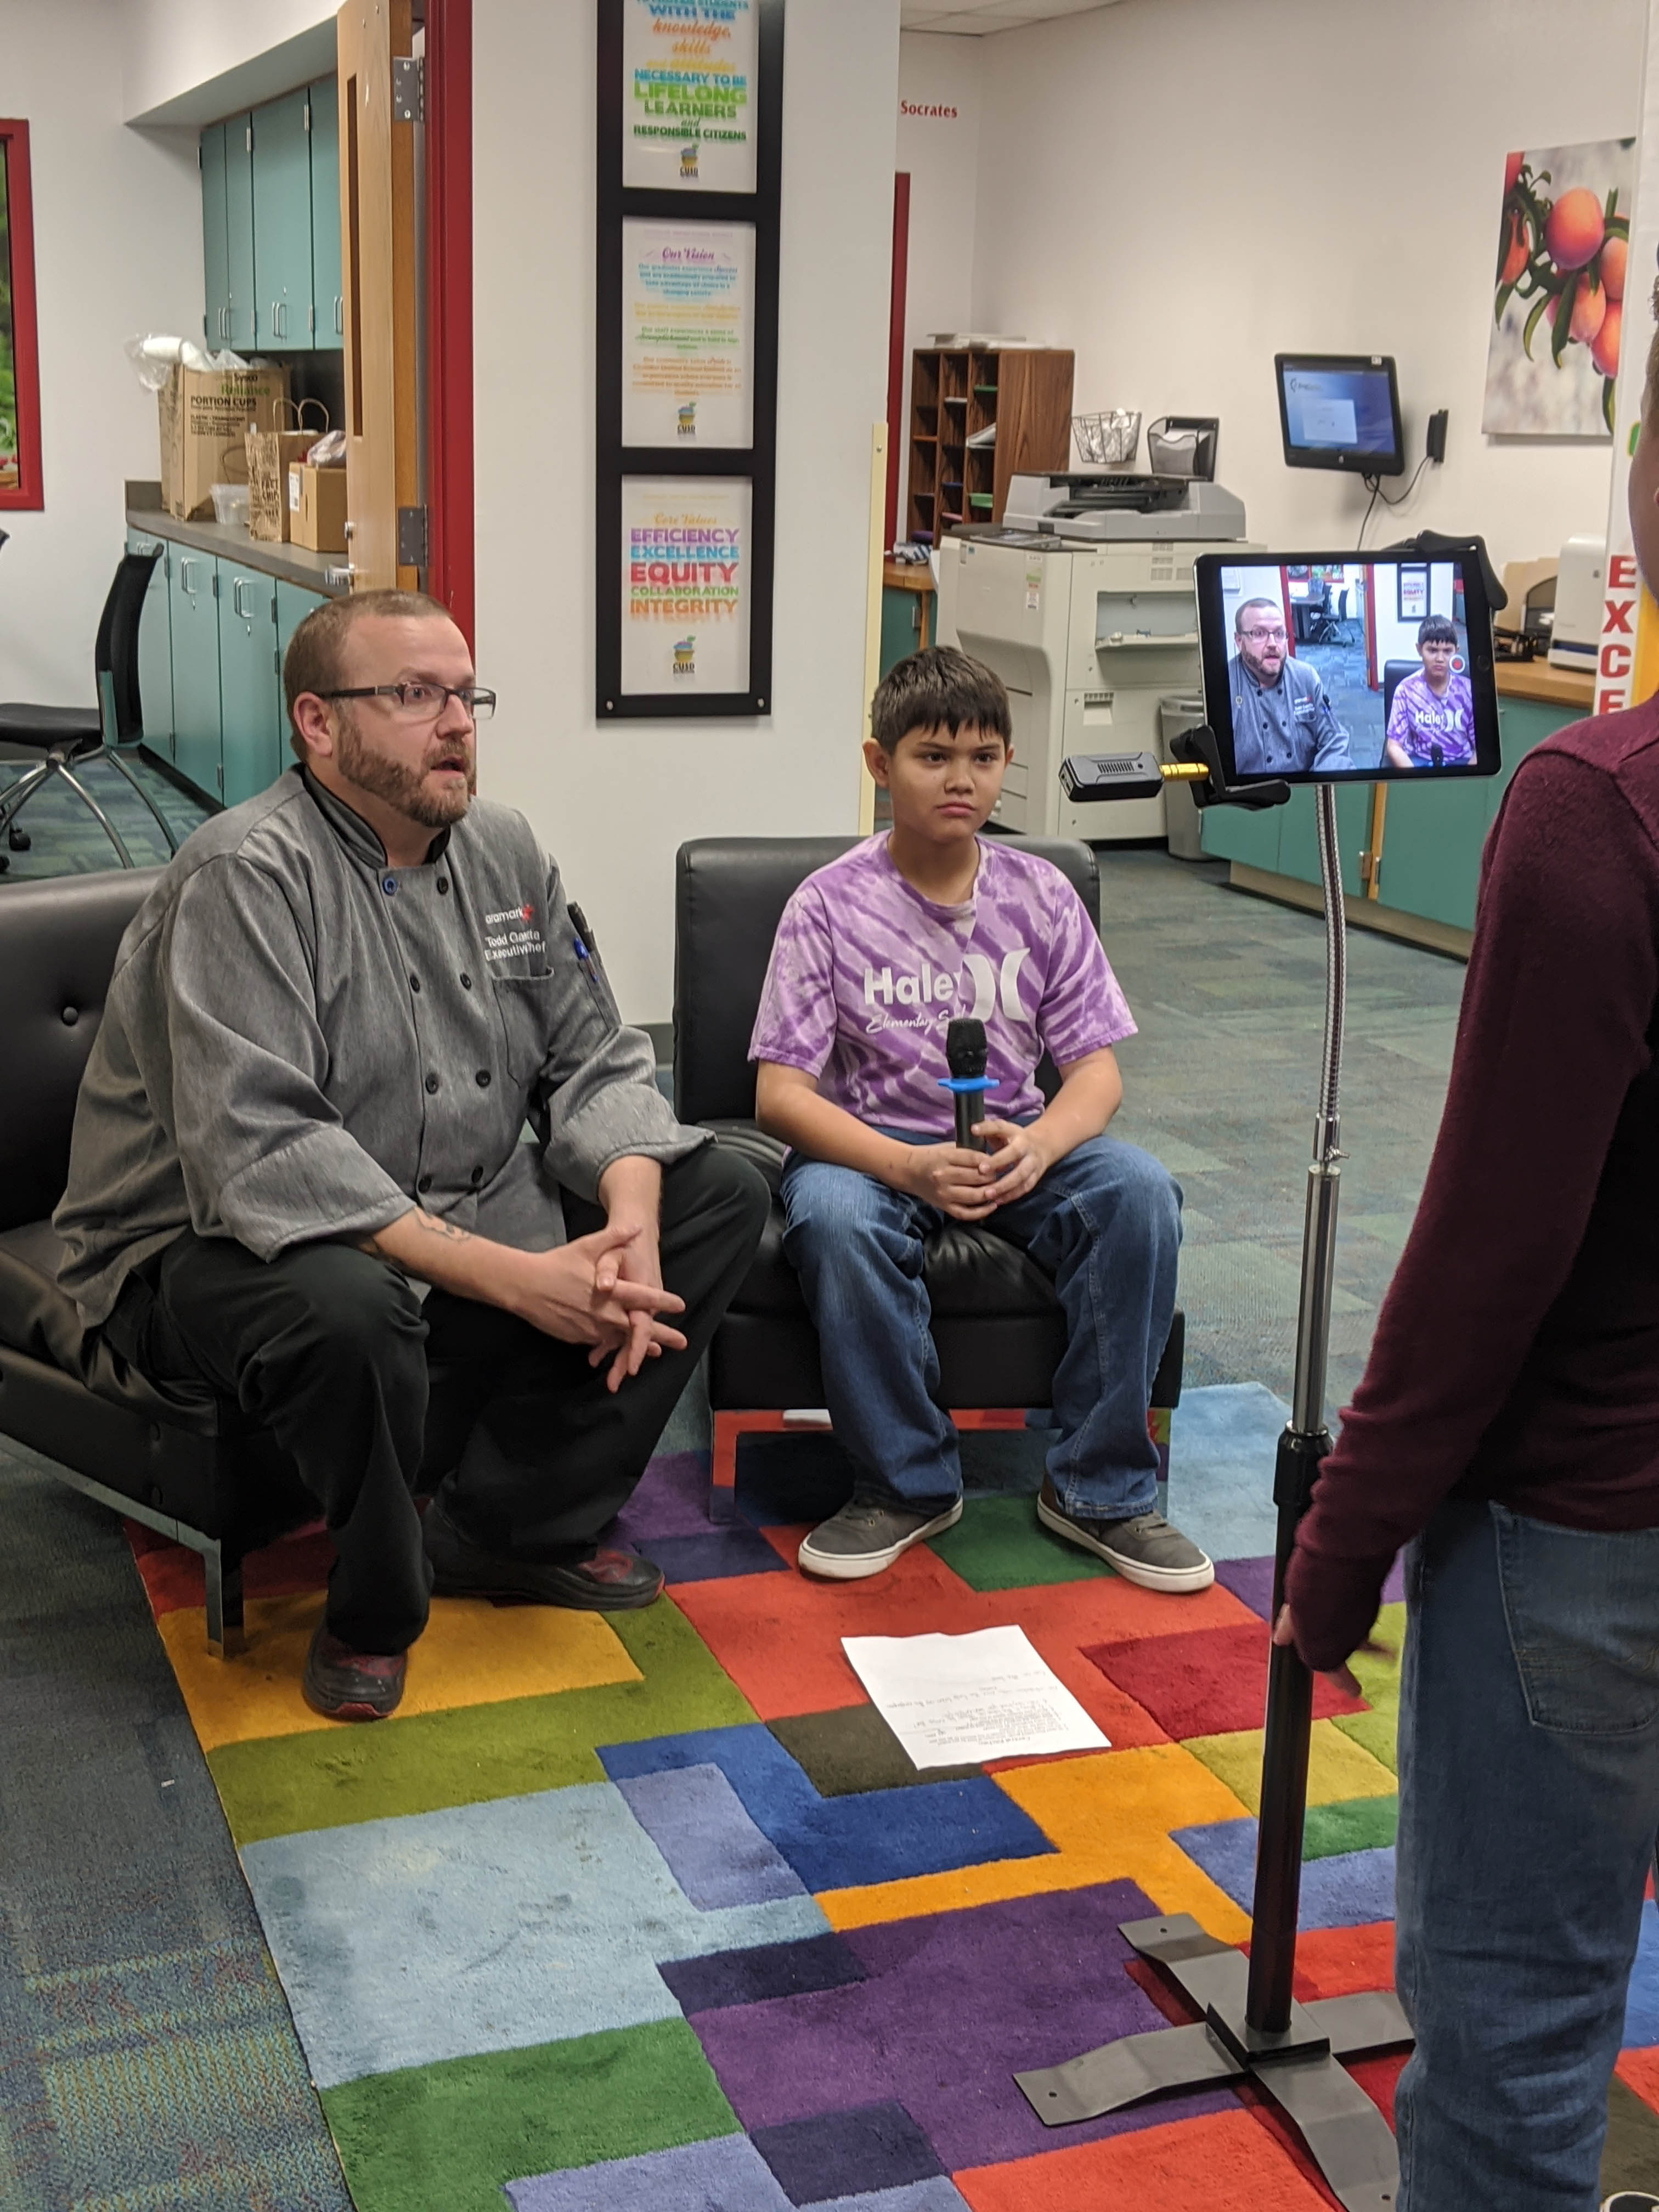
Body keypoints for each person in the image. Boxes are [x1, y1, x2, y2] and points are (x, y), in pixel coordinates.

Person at [54, 590, 768, 1723]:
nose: (456, 724)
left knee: (722, 1187)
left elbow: (597, 1056)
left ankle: (507, 1525)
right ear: (317, 724)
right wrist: (526, 1282)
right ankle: (374, 1606)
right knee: (353, 1299)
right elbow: (265, 1152)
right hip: (200, 1243)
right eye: (412, 695)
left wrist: (629, 1221)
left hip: (460, 1205)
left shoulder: (506, 849)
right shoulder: (246, 873)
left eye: (465, 695)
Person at [1275, 281, 1659, 2210]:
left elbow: (1486, 1257)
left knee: (1512, 2041)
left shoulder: (1597, 816)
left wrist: (1337, 1551)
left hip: (1585, 1532)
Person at [747, 645, 1207, 1590]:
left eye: (984, 757)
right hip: (871, 1152)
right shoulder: (825, 906)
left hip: (1014, 1149)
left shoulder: (1038, 895)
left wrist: (1039, 1145)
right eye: (931, 756)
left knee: (1139, 1191)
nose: (962, 780)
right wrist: (907, 1168)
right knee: (830, 1217)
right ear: (879, 765)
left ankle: (1100, 1489)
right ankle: (904, 1484)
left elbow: (1094, 1074)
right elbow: (779, 1097)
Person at [1228, 595, 1354, 774]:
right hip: (1247, 798)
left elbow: (1334, 739)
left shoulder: (1305, 677)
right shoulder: (1225, 686)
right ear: (1239, 641)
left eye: (1279, 634)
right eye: (1259, 634)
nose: (1273, 644)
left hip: (1305, 793)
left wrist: (1318, 786)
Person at [1384, 615, 1477, 769]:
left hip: (1461, 762)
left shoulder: (1468, 691)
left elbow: (1482, 748)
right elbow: (1394, 746)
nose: (1440, 658)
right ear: (1419, 649)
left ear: (1457, 652)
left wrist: (1466, 779)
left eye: (1447, 651)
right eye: (1432, 651)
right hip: (1419, 761)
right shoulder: (1405, 690)